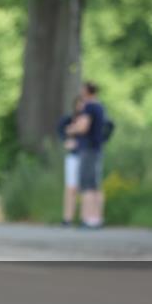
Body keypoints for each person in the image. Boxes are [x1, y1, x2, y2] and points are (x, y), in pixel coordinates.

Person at [66, 81, 107, 228]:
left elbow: (83, 127)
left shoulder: (89, 107)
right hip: (96, 149)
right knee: (96, 185)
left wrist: (72, 129)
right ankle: (97, 218)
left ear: (87, 91)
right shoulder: (100, 106)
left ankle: (87, 219)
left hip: (88, 149)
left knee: (87, 185)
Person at [56, 97, 84, 226]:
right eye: (79, 104)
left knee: (84, 188)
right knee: (70, 188)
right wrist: (66, 141)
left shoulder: (89, 119)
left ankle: (85, 217)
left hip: (86, 156)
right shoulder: (69, 119)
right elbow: (61, 130)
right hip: (73, 156)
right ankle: (68, 218)